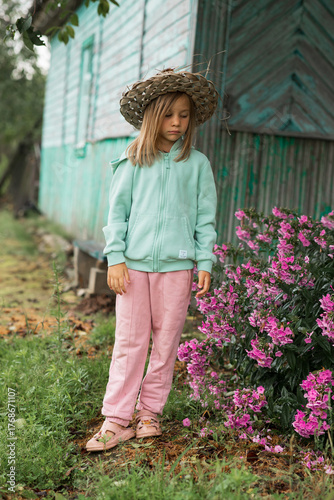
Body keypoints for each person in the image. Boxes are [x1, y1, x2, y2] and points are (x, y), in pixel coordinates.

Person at [86, 68, 219, 452]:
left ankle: (149, 414)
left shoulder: (197, 165)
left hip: (177, 268)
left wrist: (205, 261)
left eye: (184, 115)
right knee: (130, 342)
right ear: (151, 116)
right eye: (168, 114)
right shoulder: (131, 162)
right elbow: (116, 217)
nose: (177, 122)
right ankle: (116, 419)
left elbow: (205, 219)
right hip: (133, 268)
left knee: (166, 343)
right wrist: (115, 259)